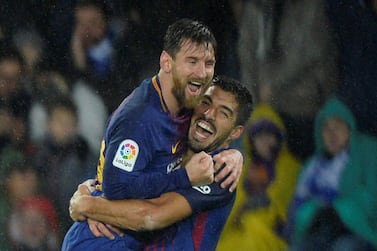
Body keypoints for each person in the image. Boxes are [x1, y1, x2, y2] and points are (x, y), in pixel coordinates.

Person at [62, 18, 243, 249]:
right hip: (103, 238)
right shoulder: (139, 119)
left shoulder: (189, 104)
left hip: (140, 235)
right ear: (167, 62)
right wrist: (185, 177)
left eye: (209, 63)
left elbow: (215, 133)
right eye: (192, 61)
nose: (202, 72)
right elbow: (118, 189)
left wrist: (234, 155)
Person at [237, 0, 339, 160]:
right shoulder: (256, 7)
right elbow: (247, 58)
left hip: (302, 108)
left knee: (300, 176)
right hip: (266, 112)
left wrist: (272, 85)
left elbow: (310, 52)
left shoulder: (310, 6)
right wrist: (251, 107)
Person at [286, 97, 377, 251]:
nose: (332, 134)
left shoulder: (368, 152)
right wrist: (314, 213)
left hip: (357, 231)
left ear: (350, 129)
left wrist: (339, 211)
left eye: (338, 127)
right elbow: (298, 206)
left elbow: (372, 195)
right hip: (320, 233)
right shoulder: (312, 166)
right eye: (326, 128)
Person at [217, 104, 301, 251]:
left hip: (273, 228)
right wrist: (242, 208)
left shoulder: (289, 165)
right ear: (252, 141)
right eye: (260, 136)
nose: (265, 141)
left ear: (278, 138)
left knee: (253, 228)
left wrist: (263, 202)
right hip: (242, 224)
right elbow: (233, 200)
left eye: (269, 135)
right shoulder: (246, 168)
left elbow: (283, 197)